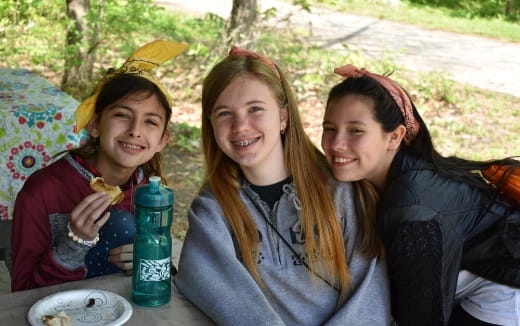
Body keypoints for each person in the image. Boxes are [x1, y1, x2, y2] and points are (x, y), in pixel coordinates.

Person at [174, 48, 391, 325]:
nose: (240, 126)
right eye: (225, 113)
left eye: (255, 109)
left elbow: (369, 296)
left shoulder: (341, 192)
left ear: (284, 117)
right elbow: (205, 282)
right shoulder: (213, 208)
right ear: (211, 125)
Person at [321, 64, 520, 326]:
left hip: (504, 290)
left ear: (394, 137)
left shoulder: (413, 211)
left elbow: (421, 319)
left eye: (356, 131)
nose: (336, 144)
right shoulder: (407, 168)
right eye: (330, 128)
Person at [11, 40, 188, 291]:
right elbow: (22, 290)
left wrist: (150, 259)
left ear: (162, 140)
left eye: (150, 122)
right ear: (95, 125)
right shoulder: (42, 191)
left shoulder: (151, 193)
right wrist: (74, 243)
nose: (135, 130)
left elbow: (163, 275)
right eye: (122, 115)